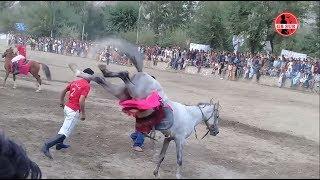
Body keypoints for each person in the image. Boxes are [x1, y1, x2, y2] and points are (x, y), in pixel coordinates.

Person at [41, 67, 94, 159]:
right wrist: (83, 113)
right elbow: (81, 100)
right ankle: (46, 146)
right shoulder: (86, 86)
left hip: (67, 107)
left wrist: (61, 101)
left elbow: (64, 91)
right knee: (64, 133)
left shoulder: (75, 82)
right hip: (73, 111)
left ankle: (59, 145)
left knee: (65, 127)